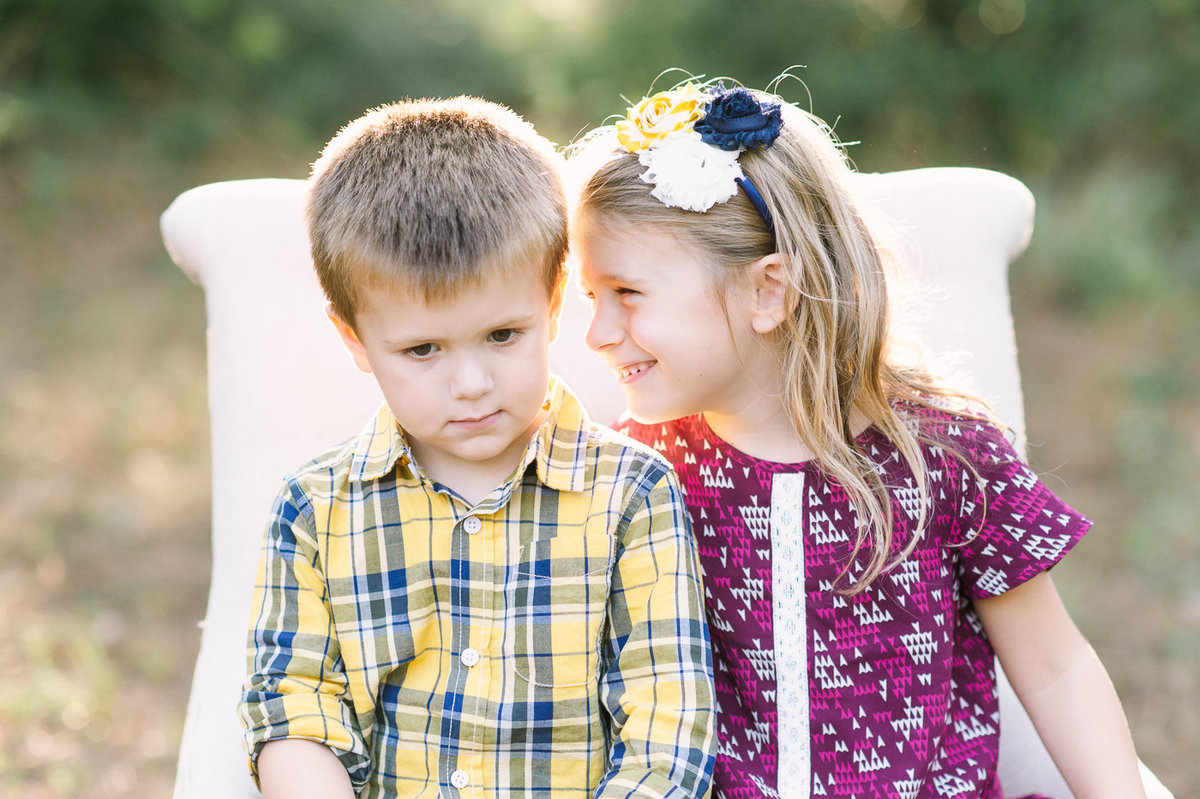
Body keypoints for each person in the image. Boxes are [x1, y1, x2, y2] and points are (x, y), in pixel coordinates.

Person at [568, 80, 1146, 798]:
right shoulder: (641, 475)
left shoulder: (942, 458)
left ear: (767, 289)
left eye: (626, 292)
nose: (596, 333)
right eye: (590, 296)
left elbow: (1055, 664)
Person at [238, 97, 716, 799]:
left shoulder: (632, 493)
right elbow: (292, 705)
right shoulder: (315, 507)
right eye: (422, 349)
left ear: (553, 301)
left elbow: (668, 727)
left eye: (502, 335)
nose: (471, 383)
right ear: (354, 340)